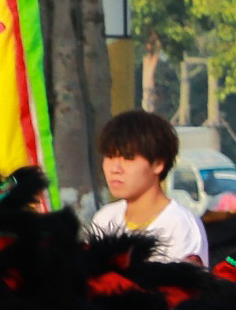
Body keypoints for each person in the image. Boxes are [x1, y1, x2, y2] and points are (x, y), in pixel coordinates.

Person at [87, 111, 209, 266]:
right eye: (110, 157)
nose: (115, 168)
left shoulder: (180, 226)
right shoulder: (104, 219)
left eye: (128, 158)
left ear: (158, 164)